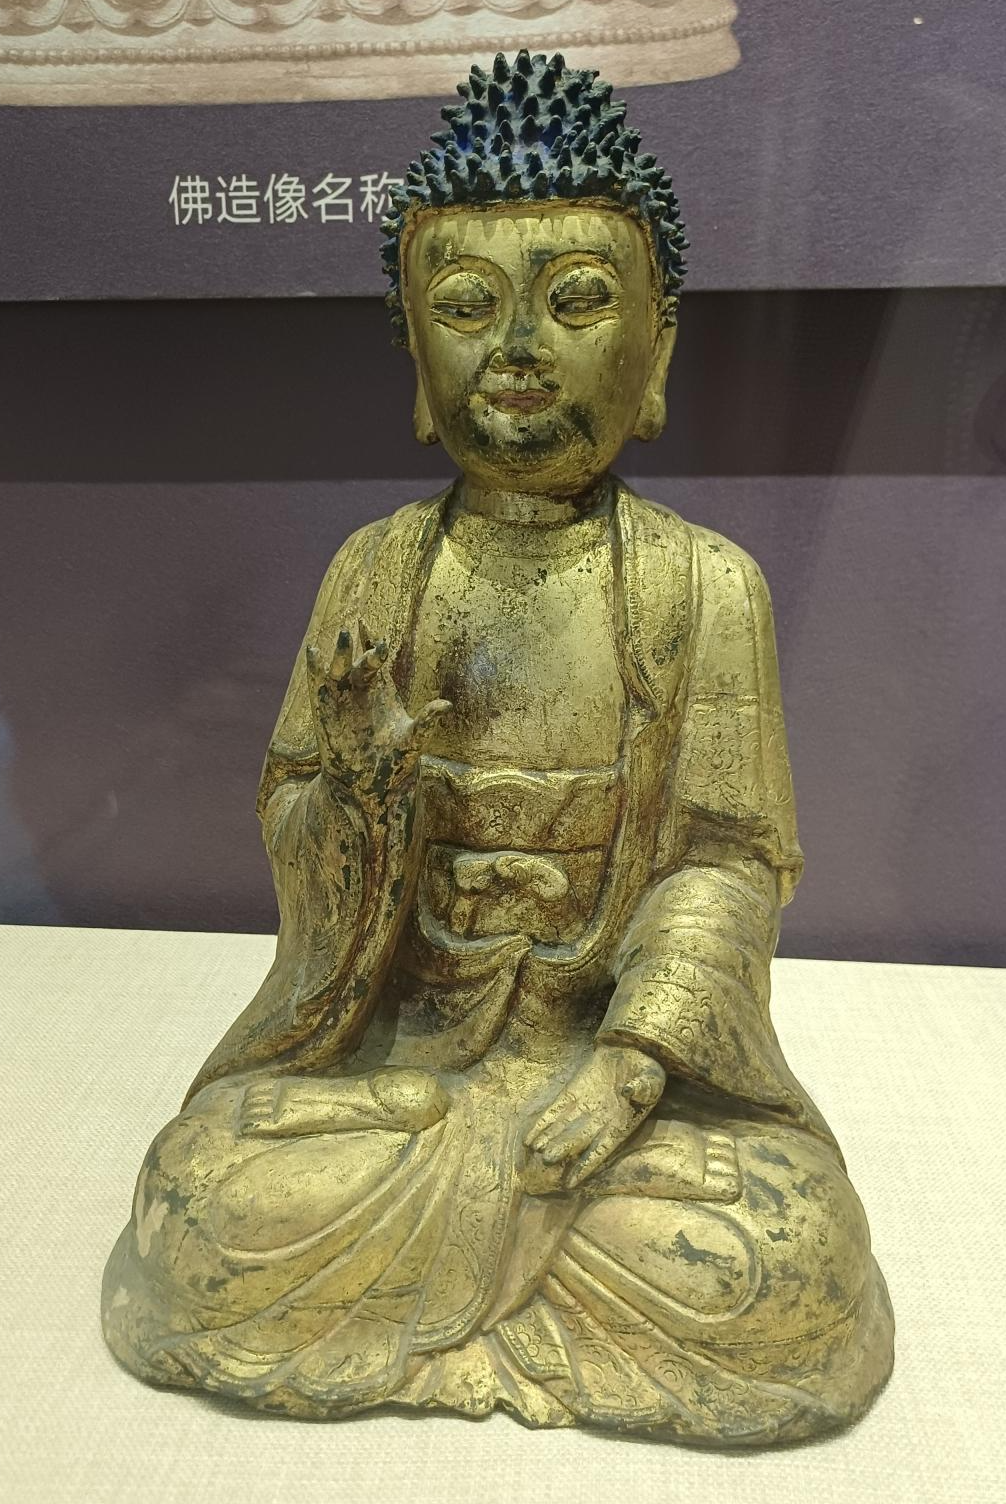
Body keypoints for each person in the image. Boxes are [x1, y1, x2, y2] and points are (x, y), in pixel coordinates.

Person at [103, 51, 893, 1443]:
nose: (518, 350)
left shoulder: (707, 587)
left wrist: (629, 1068)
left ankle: (448, 1295)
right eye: (467, 307)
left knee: (786, 1261)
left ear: (657, 348)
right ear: (417, 355)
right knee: (202, 1207)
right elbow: (302, 851)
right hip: (399, 1074)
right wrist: (363, 795)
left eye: (577, 301)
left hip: (610, 1090)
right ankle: (492, 1295)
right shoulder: (376, 573)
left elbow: (723, 866)